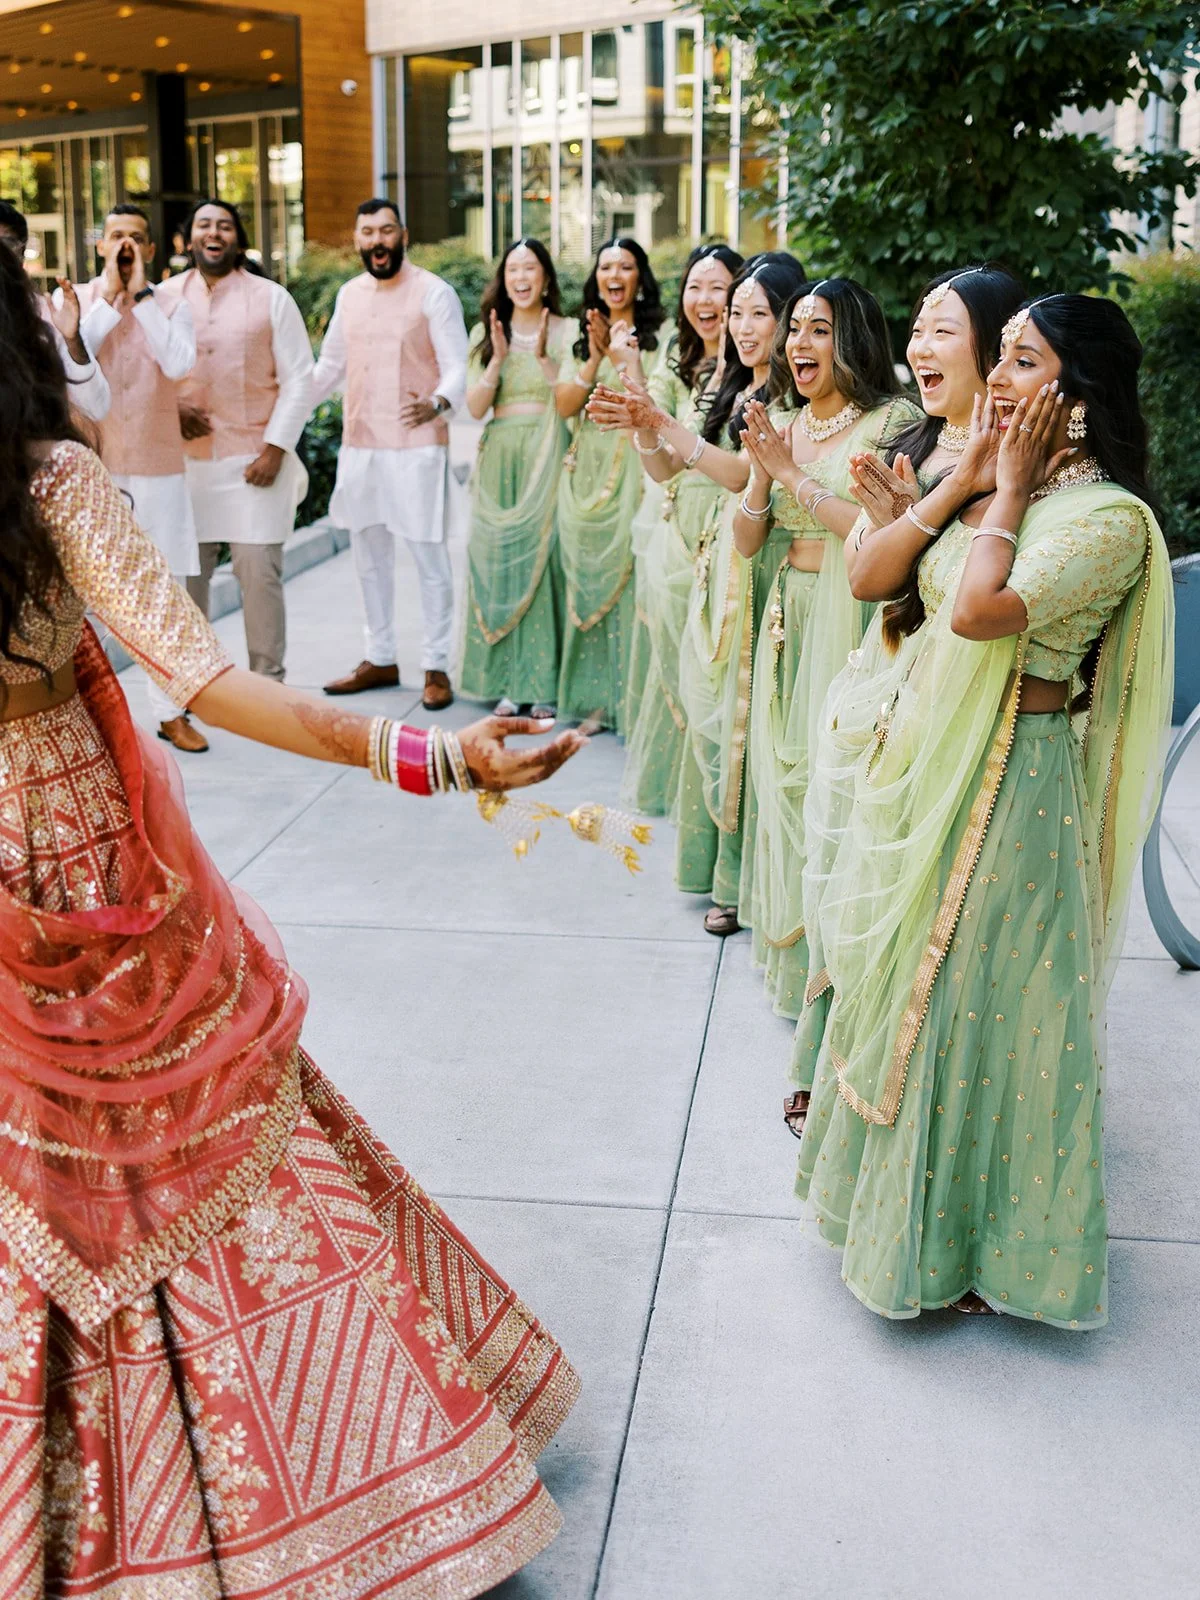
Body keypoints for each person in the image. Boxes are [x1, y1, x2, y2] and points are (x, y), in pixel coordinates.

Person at [0, 242, 586, 1594]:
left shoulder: (53, 487)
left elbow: (204, 679)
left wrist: (427, 755)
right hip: (46, 875)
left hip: (98, 889)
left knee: (188, 1163)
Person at [796, 293, 1173, 1326]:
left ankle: (980, 1249)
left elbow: (974, 613)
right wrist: (969, 486)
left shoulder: (1103, 522)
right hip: (930, 762)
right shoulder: (1015, 487)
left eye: (1022, 362)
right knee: (928, 993)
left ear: (1077, 398)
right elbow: (900, 589)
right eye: (997, 358)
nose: (998, 381)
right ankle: (909, 1225)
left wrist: (999, 493)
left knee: (979, 1006)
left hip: (1017, 784)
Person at [786, 263, 1026, 1136]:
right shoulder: (920, 448)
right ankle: (835, 1052)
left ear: (996, 351)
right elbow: (872, 582)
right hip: (881, 693)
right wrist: (899, 515)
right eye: (918, 329)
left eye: (943, 330)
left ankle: (883, 1083)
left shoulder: (1018, 469)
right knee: (855, 888)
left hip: (948, 710)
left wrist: (909, 523)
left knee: (908, 906)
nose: (922, 347)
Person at [593, 253, 808, 932]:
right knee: (714, 717)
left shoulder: (787, 394)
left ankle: (743, 883)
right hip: (718, 556)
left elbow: (746, 471)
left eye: (756, 312)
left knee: (745, 720)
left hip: (758, 559)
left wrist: (661, 422)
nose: (742, 325)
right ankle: (723, 870)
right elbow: (666, 471)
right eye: (734, 310)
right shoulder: (729, 381)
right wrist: (643, 422)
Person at [731, 279, 918, 1020]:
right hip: (791, 612)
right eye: (796, 328)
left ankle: (840, 979)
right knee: (782, 784)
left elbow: (878, 536)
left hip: (854, 611)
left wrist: (790, 475)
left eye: (819, 330)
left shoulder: (891, 422)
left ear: (854, 341)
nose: (798, 344)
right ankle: (796, 967)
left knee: (834, 787)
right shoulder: (781, 420)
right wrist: (758, 472)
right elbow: (749, 541)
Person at [602, 242, 743, 815]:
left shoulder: (753, 374)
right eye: (694, 286)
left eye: (718, 287)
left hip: (728, 532)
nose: (703, 299)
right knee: (674, 665)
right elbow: (660, 465)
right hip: (675, 532)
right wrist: (637, 402)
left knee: (715, 675)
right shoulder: (678, 366)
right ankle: (685, 800)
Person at [314, 198, 468, 711]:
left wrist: (440, 402)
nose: (377, 241)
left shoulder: (434, 293)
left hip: (416, 445)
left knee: (428, 557)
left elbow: (457, 366)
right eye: (367, 233)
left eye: (386, 231)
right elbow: (328, 367)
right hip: (361, 446)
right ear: (357, 240)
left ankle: (436, 665)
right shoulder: (349, 295)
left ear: (404, 235)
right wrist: (284, 403)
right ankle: (379, 657)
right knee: (369, 559)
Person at [160, 197, 314, 687]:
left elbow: (300, 380)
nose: (214, 233)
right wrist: (172, 410)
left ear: (237, 239)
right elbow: (141, 377)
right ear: (188, 239)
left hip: (254, 463)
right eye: (204, 225)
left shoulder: (271, 298)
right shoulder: (161, 298)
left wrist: (276, 448)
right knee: (188, 582)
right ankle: (195, 687)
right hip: (186, 468)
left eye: (224, 225)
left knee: (259, 577)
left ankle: (269, 686)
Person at [69, 204, 206, 752]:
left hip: (158, 468)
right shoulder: (74, 302)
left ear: (151, 249)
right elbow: (75, 362)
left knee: (164, 591)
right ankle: (84, 710)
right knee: (87, 593)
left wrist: (143, 297)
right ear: (101, 245)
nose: (126, 245)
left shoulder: (174, 303)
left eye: (137, 238)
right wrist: (109, 296)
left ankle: (171, 712)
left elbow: (178, 365)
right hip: (94, 469)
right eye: (116, 236)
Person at [553, 236, 667, 732]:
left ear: (640, 276)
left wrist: (623, 357)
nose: (615, 275)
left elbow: (656, 401)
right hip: (589, 471)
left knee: (631, 580)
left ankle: (631, 700)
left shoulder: (661, 335)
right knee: (589, 581)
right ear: (596, 278)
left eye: (625, 266)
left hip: (640, 467)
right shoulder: (581, 335)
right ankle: (594, 699)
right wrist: (595, 354)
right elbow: (563, 405)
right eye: (606, 267)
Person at [459, 238, 571, 717]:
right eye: (513, 270)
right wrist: (499, 359)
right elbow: (475, 408)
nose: (521, 278)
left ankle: (541, 683)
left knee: (543, 562)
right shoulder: (485, 334)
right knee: (499, 561)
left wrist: (545, 359)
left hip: (548, 450)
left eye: (531, 269)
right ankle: (506, 680)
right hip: (501, 455)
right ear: (503, 281)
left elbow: (571, 401)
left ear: (546, 278)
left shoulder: (565, 332)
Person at [0, 199, 110, 423]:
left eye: (6, 245)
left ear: (22, 254)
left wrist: (72, 340)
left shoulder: (49, 318)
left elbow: (96, 408)